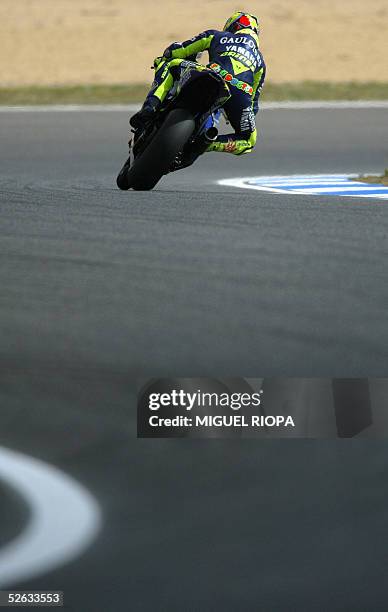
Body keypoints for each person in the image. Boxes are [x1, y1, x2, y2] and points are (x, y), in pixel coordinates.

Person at [130, 11, 266, 158]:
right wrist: (238, 111)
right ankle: (206, 143)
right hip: (240, 95)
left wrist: (163, 58)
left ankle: (151, 107)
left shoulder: (217, 35)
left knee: (169, 64)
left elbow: (177, 51)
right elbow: (253, 105)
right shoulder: (261, 62)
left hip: (211, 74)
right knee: (248, 140)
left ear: (232, 27)